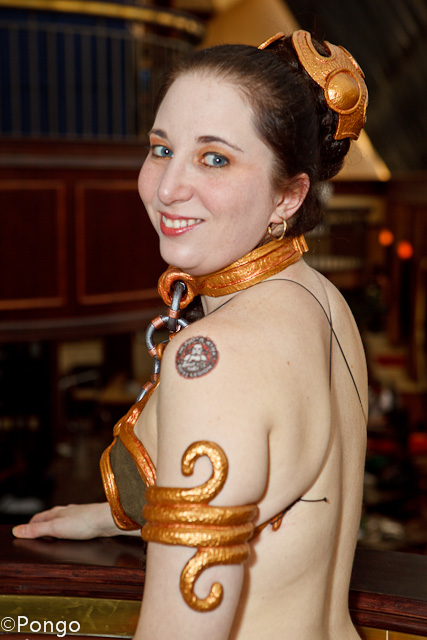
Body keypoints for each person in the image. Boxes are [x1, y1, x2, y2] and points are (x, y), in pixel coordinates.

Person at [13, 30, 369, 640]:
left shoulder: (216, 358)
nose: (167, 187)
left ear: (289, 194)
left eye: (215, 158)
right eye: (161, 149)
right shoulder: (322, 301)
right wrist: (116, 516)